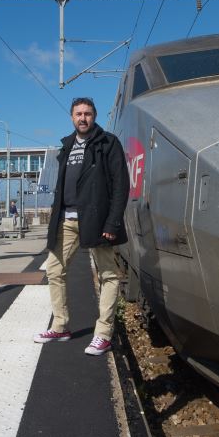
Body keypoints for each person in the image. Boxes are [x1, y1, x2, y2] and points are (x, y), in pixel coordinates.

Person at [35, 97, 129, 356]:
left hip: (97, 220)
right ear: (72, 117)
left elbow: (121, 184)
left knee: (108, 274)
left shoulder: (108, 143)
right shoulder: (66, 146)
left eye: (87, 113)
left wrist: (112, 221)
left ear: (94, 115)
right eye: (78, 114)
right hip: (66, 218)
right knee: (54, 269)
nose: (83, 118)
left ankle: (103, 334)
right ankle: (61, 325)